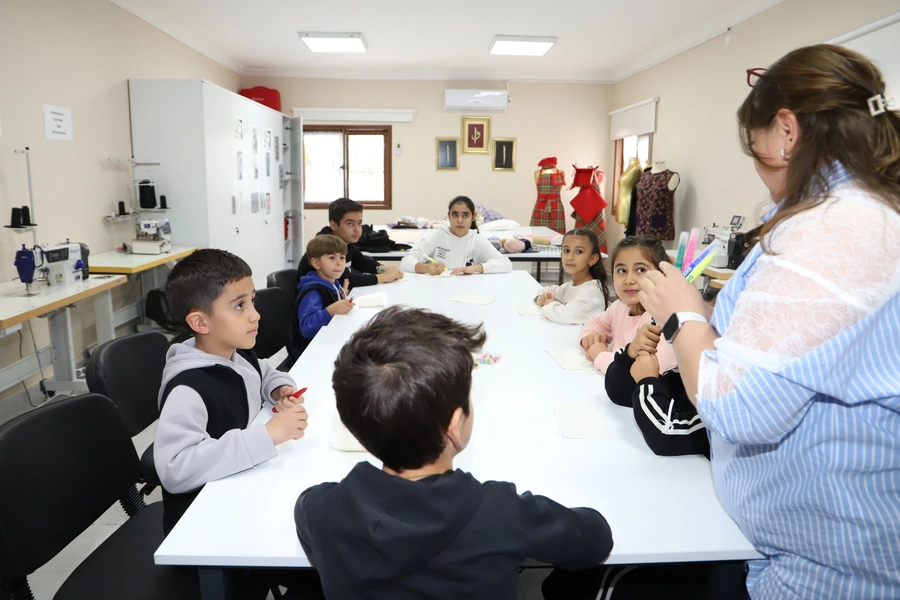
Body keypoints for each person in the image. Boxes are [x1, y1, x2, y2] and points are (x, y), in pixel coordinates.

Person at [638, 45, 900, 599]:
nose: (760, 172)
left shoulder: (836, 229)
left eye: (756, 151)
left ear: (786, 131)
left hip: (828, 571)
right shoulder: (859, 212)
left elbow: (737, 407)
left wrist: (682, 315)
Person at [294, 306, 613, 599]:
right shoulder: (504, 513)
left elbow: (307, 509)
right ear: (454, 426)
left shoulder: (322, 508)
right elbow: (595, 538)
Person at [154, 249, 309, 535]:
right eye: (239, 306)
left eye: (252, 301)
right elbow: (175, 469)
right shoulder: (188, 389)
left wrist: (278, 389)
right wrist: (267, 435)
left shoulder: (237, 353)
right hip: (205, 527)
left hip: (243, 491)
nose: (255, 315)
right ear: (200, 323)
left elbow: (264, 372)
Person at [578, 235, 677, 375]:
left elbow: (639, 371)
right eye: (622, 271)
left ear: (661, 274)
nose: (629, 280)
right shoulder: (620, 306)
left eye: (641, 270)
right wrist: (590, 336)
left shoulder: (660, 320)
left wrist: (599, 355)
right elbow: (595, 322)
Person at [604, 328, 709, 458]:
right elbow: (621, 394)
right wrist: (630, 355)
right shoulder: (692, 378)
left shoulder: (724, 402)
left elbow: (665, 435)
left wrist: (646, 381)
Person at [297, 197, 403, 288]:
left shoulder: (345, 244)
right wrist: (384, 277)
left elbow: (363, 262)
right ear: (333, 225)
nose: (357, 230)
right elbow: (345, 279)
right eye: (350, 224)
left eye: (359, 223)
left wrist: (383, 269)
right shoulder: (324, 247)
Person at [400, 196, 512, 275]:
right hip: (438, 288)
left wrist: (475, 268)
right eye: (455, 215)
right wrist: (427, 268)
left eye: (465, 215)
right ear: (449, 216)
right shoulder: (438, 235)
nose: (460, 220)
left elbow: (506, 264)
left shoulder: (476, 239)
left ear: (473, 217)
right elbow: (406, 261)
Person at [290, 235, 355, 358]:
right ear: (316, 263)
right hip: (311, 354)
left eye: (342, 258)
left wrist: (342, 295)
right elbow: (306, 328)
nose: (339, 263)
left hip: (327, 343)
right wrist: (331, 310)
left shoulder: (333, 283)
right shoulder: (313, 291)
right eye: (332, 258)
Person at [534, 228, 609, 324]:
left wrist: (548, 304)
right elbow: (549, 290)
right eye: (566, 250)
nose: (570, 257)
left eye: (579, 252)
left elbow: (565, 316)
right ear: (561, 255)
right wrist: (541, 298)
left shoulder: (591, 292)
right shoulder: (570, 286)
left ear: (592, 259)